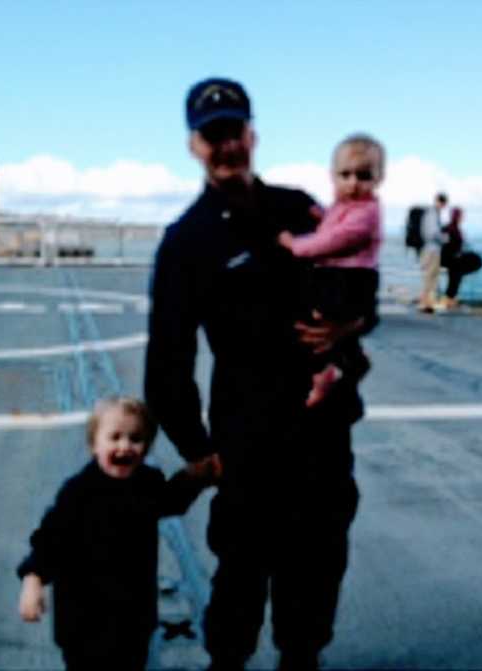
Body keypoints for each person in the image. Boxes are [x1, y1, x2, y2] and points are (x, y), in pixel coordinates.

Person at [144, 77, 364, 671]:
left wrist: (348, 332)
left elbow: (357, 291)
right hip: (247, 442)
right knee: (240, 578)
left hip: (321, 433)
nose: (225, 146)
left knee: (316, 572)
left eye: (234, 132)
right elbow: (167, 363)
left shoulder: (300, 210)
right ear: (194, 144)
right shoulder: (186, 242)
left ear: (252, 134)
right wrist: (200, 451)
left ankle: (302, 659)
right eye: (212, 136)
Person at [16, 396, 220, 671]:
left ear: (146, 446)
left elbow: (171, 499)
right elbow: (50, 540)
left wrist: (196, 476)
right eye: (114, 437)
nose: (125, 446)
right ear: (94, 444)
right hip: (83, 620)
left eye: (135, 438)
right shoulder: (78, 493)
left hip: (132, 615)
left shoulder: (147, 482)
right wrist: (33, 579)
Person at [276, 133, 383, 406]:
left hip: (348, 278)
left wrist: (295, 244)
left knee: (319, 319)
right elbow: (335, 227)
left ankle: (325, 371)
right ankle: (353, 361)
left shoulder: (365, 210)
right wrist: (322, 218)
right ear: (333, 175)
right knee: (327, 325)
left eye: (363, 175)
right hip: (345, 276)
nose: (353, 183)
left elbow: (339, 238)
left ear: (378, 178)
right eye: (345, 174)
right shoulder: (346, 206)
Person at [439, 206, 482, 309]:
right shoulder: (448, 229)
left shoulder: (454, 229)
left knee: (459, 271)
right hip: (448, 259)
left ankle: (450, 298)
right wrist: (454, 253)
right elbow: (443, 245)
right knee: (458, 270)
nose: (462, 218)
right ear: (457, 216)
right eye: (461, 216)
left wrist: (458, 252)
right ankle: (449, 299)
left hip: (452, 258)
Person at [417, 192, 448, 312]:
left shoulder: (431, 213)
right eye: (443, 204)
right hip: (432, 250)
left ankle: (427, 303)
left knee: (430, 277)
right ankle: (426, 305)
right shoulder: (433, 213)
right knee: (431, 277)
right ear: (440, 202)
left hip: (429, 249)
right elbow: (433, 233)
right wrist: (445, 238)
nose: (443, 206)